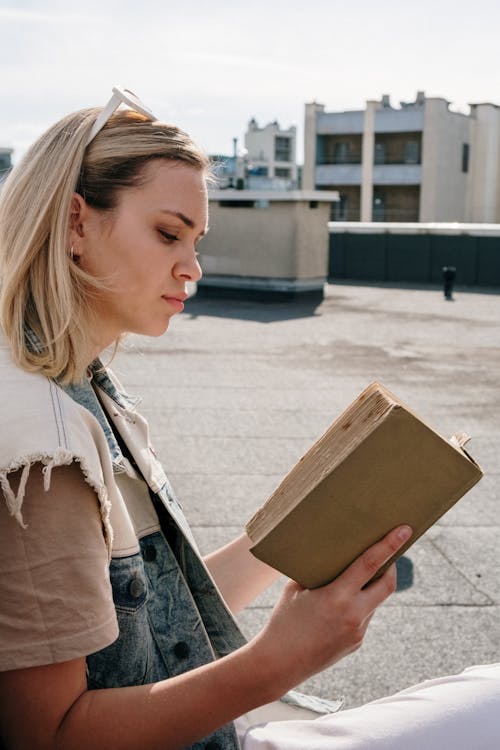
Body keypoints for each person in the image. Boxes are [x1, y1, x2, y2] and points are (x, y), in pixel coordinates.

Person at [0, 88, 499, 750]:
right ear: (75, 223)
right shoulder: (45, 444)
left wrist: (309, 528)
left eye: (197, 240)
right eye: (168, 232)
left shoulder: (75, 386)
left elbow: (154, 623)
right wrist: (281, 661)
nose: (193, 267)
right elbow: (52, 738)